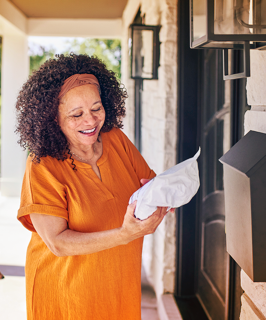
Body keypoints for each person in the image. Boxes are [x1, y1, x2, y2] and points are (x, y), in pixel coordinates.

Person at [16, 54, 169, 320]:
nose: (90, 121)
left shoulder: (116, 140)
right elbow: (58, 243)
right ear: (53, 119)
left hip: (118, 289)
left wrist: (164, 197)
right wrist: (125, 234)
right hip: (66, 297)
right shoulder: (42, 164)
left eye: (96, 108)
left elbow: (150, 186)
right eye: (76, 114)